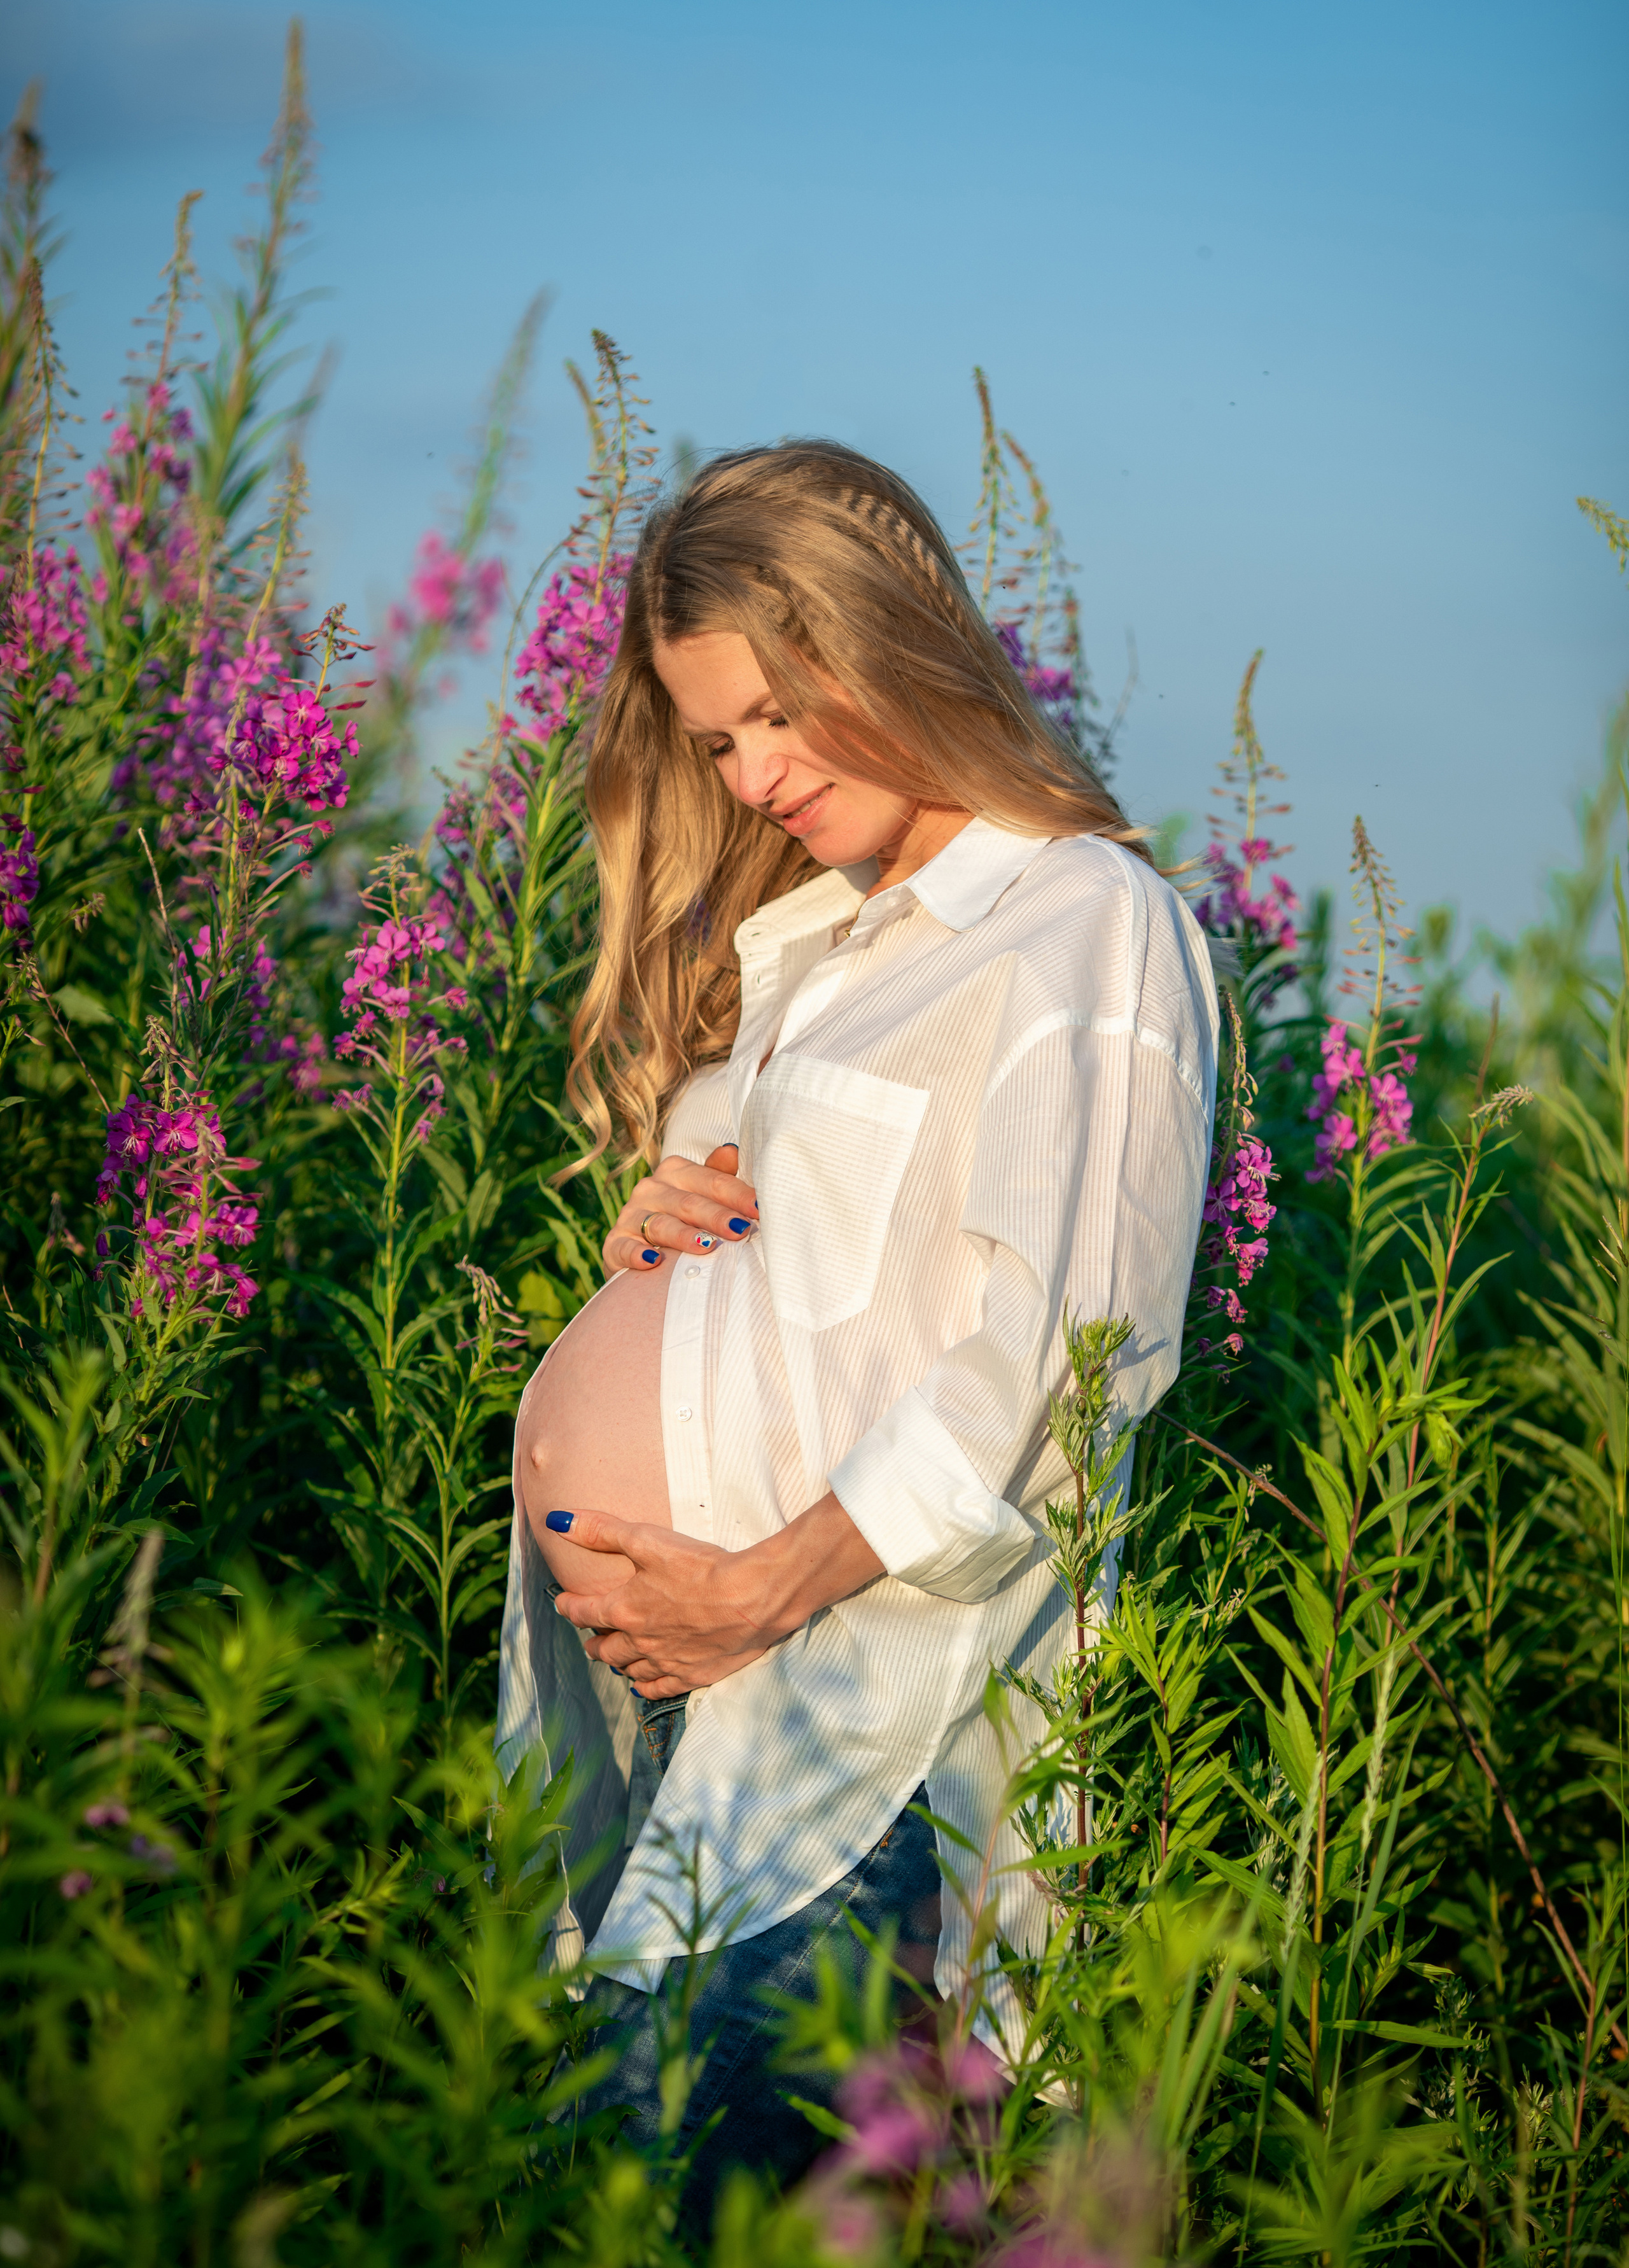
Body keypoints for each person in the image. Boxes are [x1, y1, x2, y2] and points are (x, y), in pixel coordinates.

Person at [494, 440, 1217, 2206]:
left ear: (887, 637)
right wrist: (657, 1238)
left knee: (672, 2206)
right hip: (708, 1720)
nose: (754, 778)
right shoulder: (825, 945)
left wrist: (762, 1585)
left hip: (863, 1729)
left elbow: (1062, 1363)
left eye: (774, 715)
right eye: (716, 742)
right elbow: (805, 1286)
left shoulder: (1078, 921)